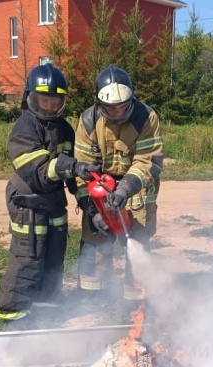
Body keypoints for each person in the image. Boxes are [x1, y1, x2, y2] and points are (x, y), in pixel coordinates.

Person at [0, 63, 98, 321]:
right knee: (28, 255)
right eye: (44, 99)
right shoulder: (24, 128)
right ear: (31, 97)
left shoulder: (64, 128)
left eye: (55, 100)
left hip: (53, 200)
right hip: (27, 201)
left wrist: (87, 201)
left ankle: (48, 305)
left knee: (54, 254)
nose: (50, 105)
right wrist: (73, 166)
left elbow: (75, 173)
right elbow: (37, 170)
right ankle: (12, 312)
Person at [74, 65, 164, 303]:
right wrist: (92, 208)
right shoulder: (88, 120)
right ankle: (92, 299)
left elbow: (148, 161)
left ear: (131, 98)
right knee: (94, 244)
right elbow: (82, 166)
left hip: (137, 190)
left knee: (138, 243)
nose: (117, 112)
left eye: (123, 106)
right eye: (110, 108)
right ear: (99, 104)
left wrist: (124, 189)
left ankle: (135, 304)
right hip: (100, 191)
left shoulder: (146, 117)